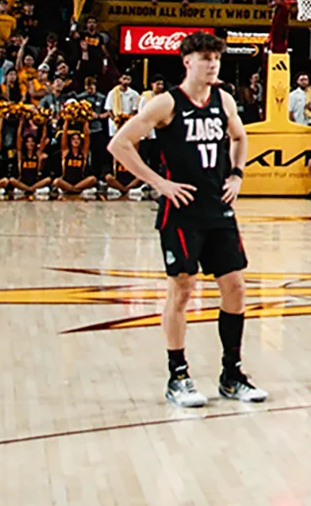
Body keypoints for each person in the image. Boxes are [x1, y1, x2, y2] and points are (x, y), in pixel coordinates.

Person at [105, 32, 266, 407]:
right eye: (206, 58)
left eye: (217, 58)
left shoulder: (224, 100)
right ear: (187, 61)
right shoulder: (167, 103)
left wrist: (237, 174)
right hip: (181, 212)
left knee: (236, 287)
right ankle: (178, 375)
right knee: (182, 289)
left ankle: (232, 374)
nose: (213, 64)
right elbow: (119, 144)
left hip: (218, 208)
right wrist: (159, 183)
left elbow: (239, 137)